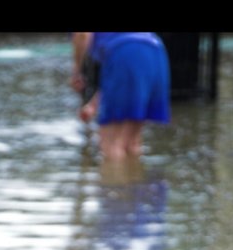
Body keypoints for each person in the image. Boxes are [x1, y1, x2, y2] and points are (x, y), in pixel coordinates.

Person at [71, 33, 171, 161]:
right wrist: (93, 106)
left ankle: (115, 180)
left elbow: (83, 34)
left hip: (124, 51)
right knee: (132, 142)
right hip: (155, 50)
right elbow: (117, 79)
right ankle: (134, 179)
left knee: (110, 144)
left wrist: (77, 71)